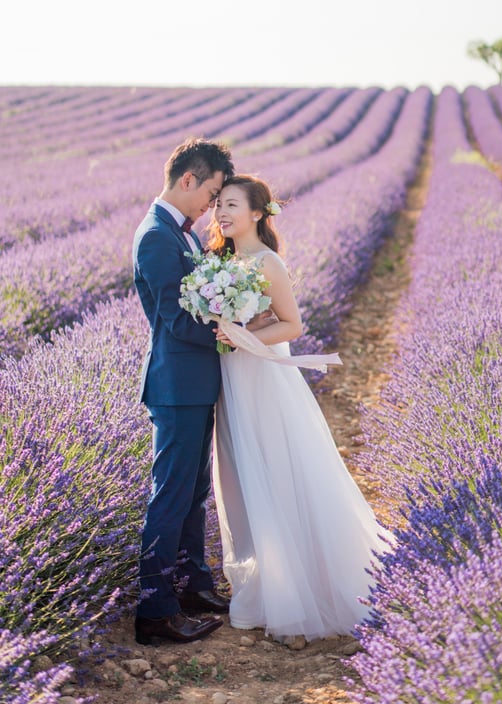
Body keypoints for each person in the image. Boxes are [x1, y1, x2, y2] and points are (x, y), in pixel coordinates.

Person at [206, 174, 392, 643]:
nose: (222, 213)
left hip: (266, 377)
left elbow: (292, 325)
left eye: (231, 205)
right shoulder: (217, 262)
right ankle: (266, 584)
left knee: (279, 470)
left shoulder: (267, 262)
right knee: (242, 479)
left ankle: (298, 597)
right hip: (234, 381)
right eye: (218, 206)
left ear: (256, 213)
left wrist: (242, 336)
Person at [132, 137, 235, 645]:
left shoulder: (184, 234)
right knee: (169, 497)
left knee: (193, 493)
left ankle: (192, 584)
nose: (211, 206)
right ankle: (155, 611)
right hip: (176, 386)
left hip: (195, 382)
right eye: (211, 193)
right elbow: (174, 320)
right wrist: (230, 334)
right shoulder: (156, 236)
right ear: (188, 180)